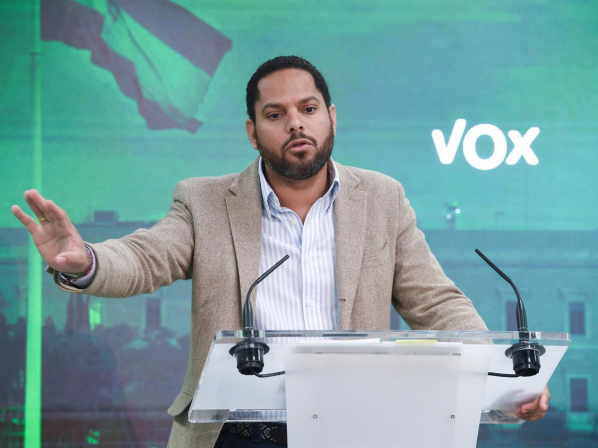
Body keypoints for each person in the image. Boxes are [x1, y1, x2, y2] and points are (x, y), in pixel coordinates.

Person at [12, 56, 550, 447]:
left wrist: (506, 379)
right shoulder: (204, 201)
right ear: (253, 132)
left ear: (331, 117)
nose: (295, 122)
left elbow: (436, 302)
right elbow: (146, 256)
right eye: (275, 114)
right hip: (236, 433)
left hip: (353, 429)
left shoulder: (382, 199)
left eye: (308, 108)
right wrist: (86, 261)